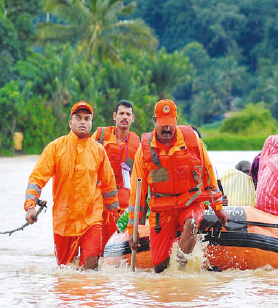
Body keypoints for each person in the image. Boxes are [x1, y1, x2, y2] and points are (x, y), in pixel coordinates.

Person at [128, 99, 227, 273]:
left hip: (190, 202)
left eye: (170, 125)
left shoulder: (192, 141)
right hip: (162, 210)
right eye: (163, 125)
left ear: (176, 120)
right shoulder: (144, 151)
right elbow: (137, 193)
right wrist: (132, 230)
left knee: (191, 224)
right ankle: (169, 275)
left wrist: (218, 208)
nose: (167, 129)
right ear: (154, 121)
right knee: (159, 266)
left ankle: (179, 272)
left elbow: (208, 175)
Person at [23, 101, 120, 270]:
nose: (83, 122)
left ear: (91, 124)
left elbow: (109, 186)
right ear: (70, 122)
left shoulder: (98, 151)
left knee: (91, 266)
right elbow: (37, 179)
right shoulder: (55, 148)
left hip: (92, 219)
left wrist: (114, 218)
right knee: (65, 270)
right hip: (64, 221)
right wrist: (30, 206)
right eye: (78, 118)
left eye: (87, 118)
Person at [92, 99, 140, 250]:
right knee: (97, 243)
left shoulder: (136, 142)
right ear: (115, 116)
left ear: (132, 118)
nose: (124, 117)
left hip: (125, 201)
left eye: (128, 114)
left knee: (117, 245)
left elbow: (140, 173)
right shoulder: (100, 136)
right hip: (99, 199)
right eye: (121, 113)